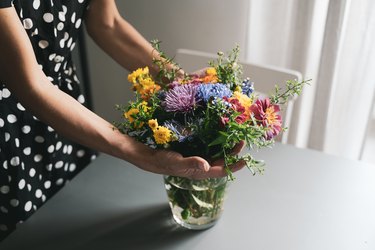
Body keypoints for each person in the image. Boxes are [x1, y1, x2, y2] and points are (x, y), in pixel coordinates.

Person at [0, 0, 245, 240]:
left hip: (67, 110)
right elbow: (31, 84)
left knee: (66, 222)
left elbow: (109, 24)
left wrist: (183, 87)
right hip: (9, 132)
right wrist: (146, 156)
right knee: (22, 234)